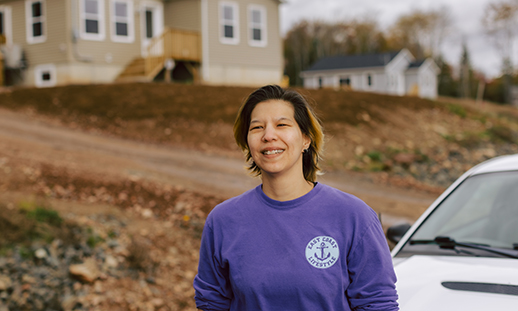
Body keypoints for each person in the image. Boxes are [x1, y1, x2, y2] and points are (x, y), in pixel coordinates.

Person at [193, 85, 398, 311]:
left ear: (306, 139)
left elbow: (377, 304)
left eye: (282, 125)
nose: (268, 135)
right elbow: (211, 304)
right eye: (257, 127)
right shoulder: (223, 221)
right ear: (248, 142)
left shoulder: (354, 217)